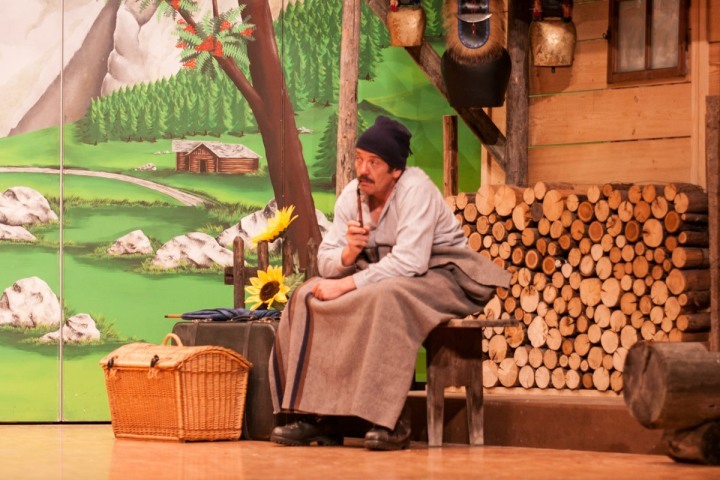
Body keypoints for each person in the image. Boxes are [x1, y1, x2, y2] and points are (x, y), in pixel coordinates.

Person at [269, 116, 510, 450]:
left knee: (386, 297)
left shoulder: (416, 190)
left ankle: (390, 419)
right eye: (359, 160)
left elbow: (412, 261)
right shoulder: (352, 196)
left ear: (395, 170)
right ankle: (318, 416)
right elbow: (325, 259)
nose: (362, 170)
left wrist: (347, 285)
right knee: (306, 294)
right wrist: (348, 255)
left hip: (444, 274)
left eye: (374, 162)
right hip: (382, 274)